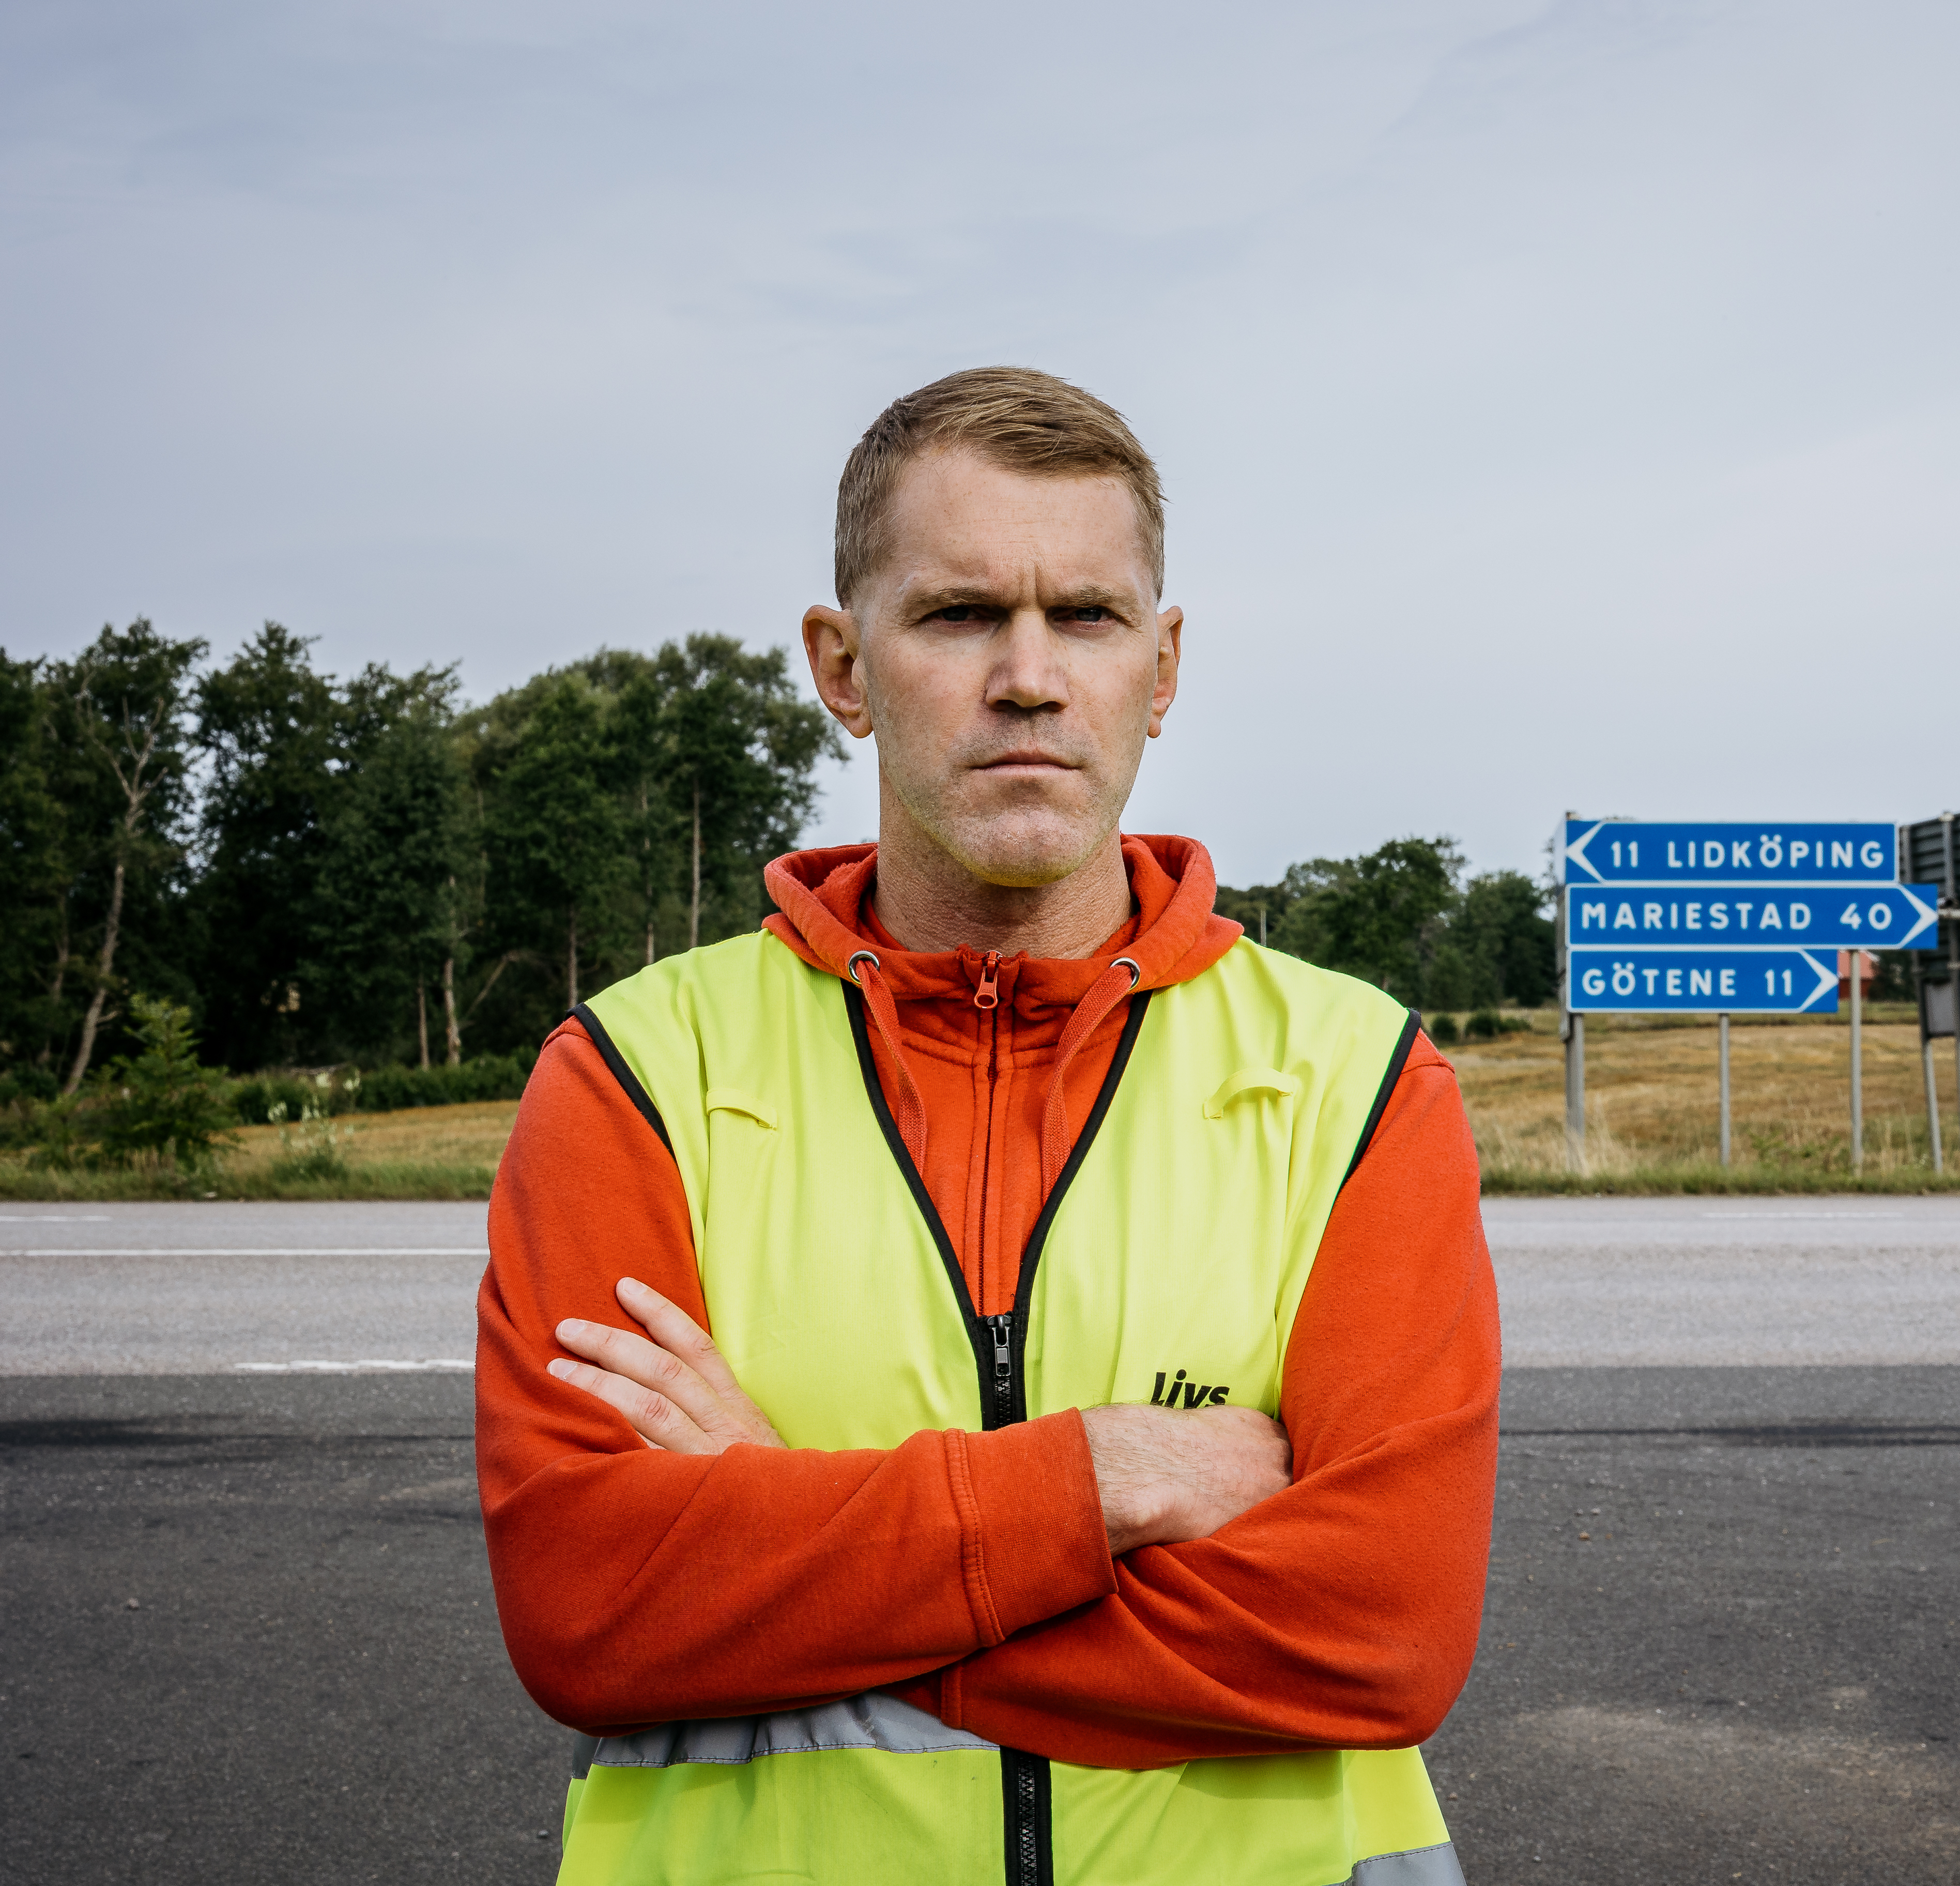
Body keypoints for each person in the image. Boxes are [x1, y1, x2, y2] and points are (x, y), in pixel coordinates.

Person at [476, 367, 1500, 1886]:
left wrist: (786, 1549)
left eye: (1084, 617)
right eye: (958, 615)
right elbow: (593, 1607)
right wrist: (1098, 1481)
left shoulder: (1359, 1081)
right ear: (842, 664)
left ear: (1161, 669)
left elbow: (1379, 1632)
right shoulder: (637, 1074)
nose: (1029, 676)